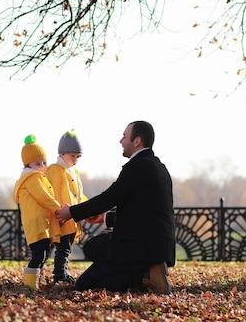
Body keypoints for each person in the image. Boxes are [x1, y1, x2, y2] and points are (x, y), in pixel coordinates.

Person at [55, 120, 175, 293]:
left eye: (125, 136)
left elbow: (108, 198)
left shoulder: (137, 166)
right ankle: (145, 272)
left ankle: (144, 275)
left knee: (84, 284)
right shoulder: (158, 167)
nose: (121, 141)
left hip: (140, 246)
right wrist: (104, 218)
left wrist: (72, 212)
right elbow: (143, 211)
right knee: (94, 249)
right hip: (159, 246)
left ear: (137, 141)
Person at [13, 134, 62, 290]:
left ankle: (36, 282)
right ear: (28, 164)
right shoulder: (32, 178)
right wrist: (58, 208)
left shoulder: (36, 176)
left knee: (42, 254)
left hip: (40, 222)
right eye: (37, 163)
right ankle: (30, 285)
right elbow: (43, 196)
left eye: (44, 162)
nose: (42, 166)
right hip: (37, 223)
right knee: (39, 254)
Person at [45, 130, 87, 284]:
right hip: (62, 217)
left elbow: (78, 196)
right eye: (73, 156)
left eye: (78, 157)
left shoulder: (73, 173)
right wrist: (57, 211)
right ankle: (59, 274)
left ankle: (61, 272)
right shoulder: (55, 170)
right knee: (62, 248)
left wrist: (86, 208)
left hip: (71, 218)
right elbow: (52, 192)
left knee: (66, 248)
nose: (76, 160)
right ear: (62, 154)